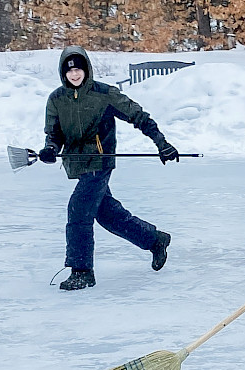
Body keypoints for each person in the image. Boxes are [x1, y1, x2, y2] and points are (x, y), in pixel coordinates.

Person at [37, 46, 179, 291]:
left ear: (87, 69)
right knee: (107, 214)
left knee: (79, 209)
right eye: (69, 70)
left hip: (100, 162)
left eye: (79, 68)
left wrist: (162, 143)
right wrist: (50, 149)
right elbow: (54, 133)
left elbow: (139, 116)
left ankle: (82, 271)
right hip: (78, 165)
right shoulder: (57, 99)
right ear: (63, 72)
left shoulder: (104, 94)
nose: (75, 74)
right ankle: (155, 240)